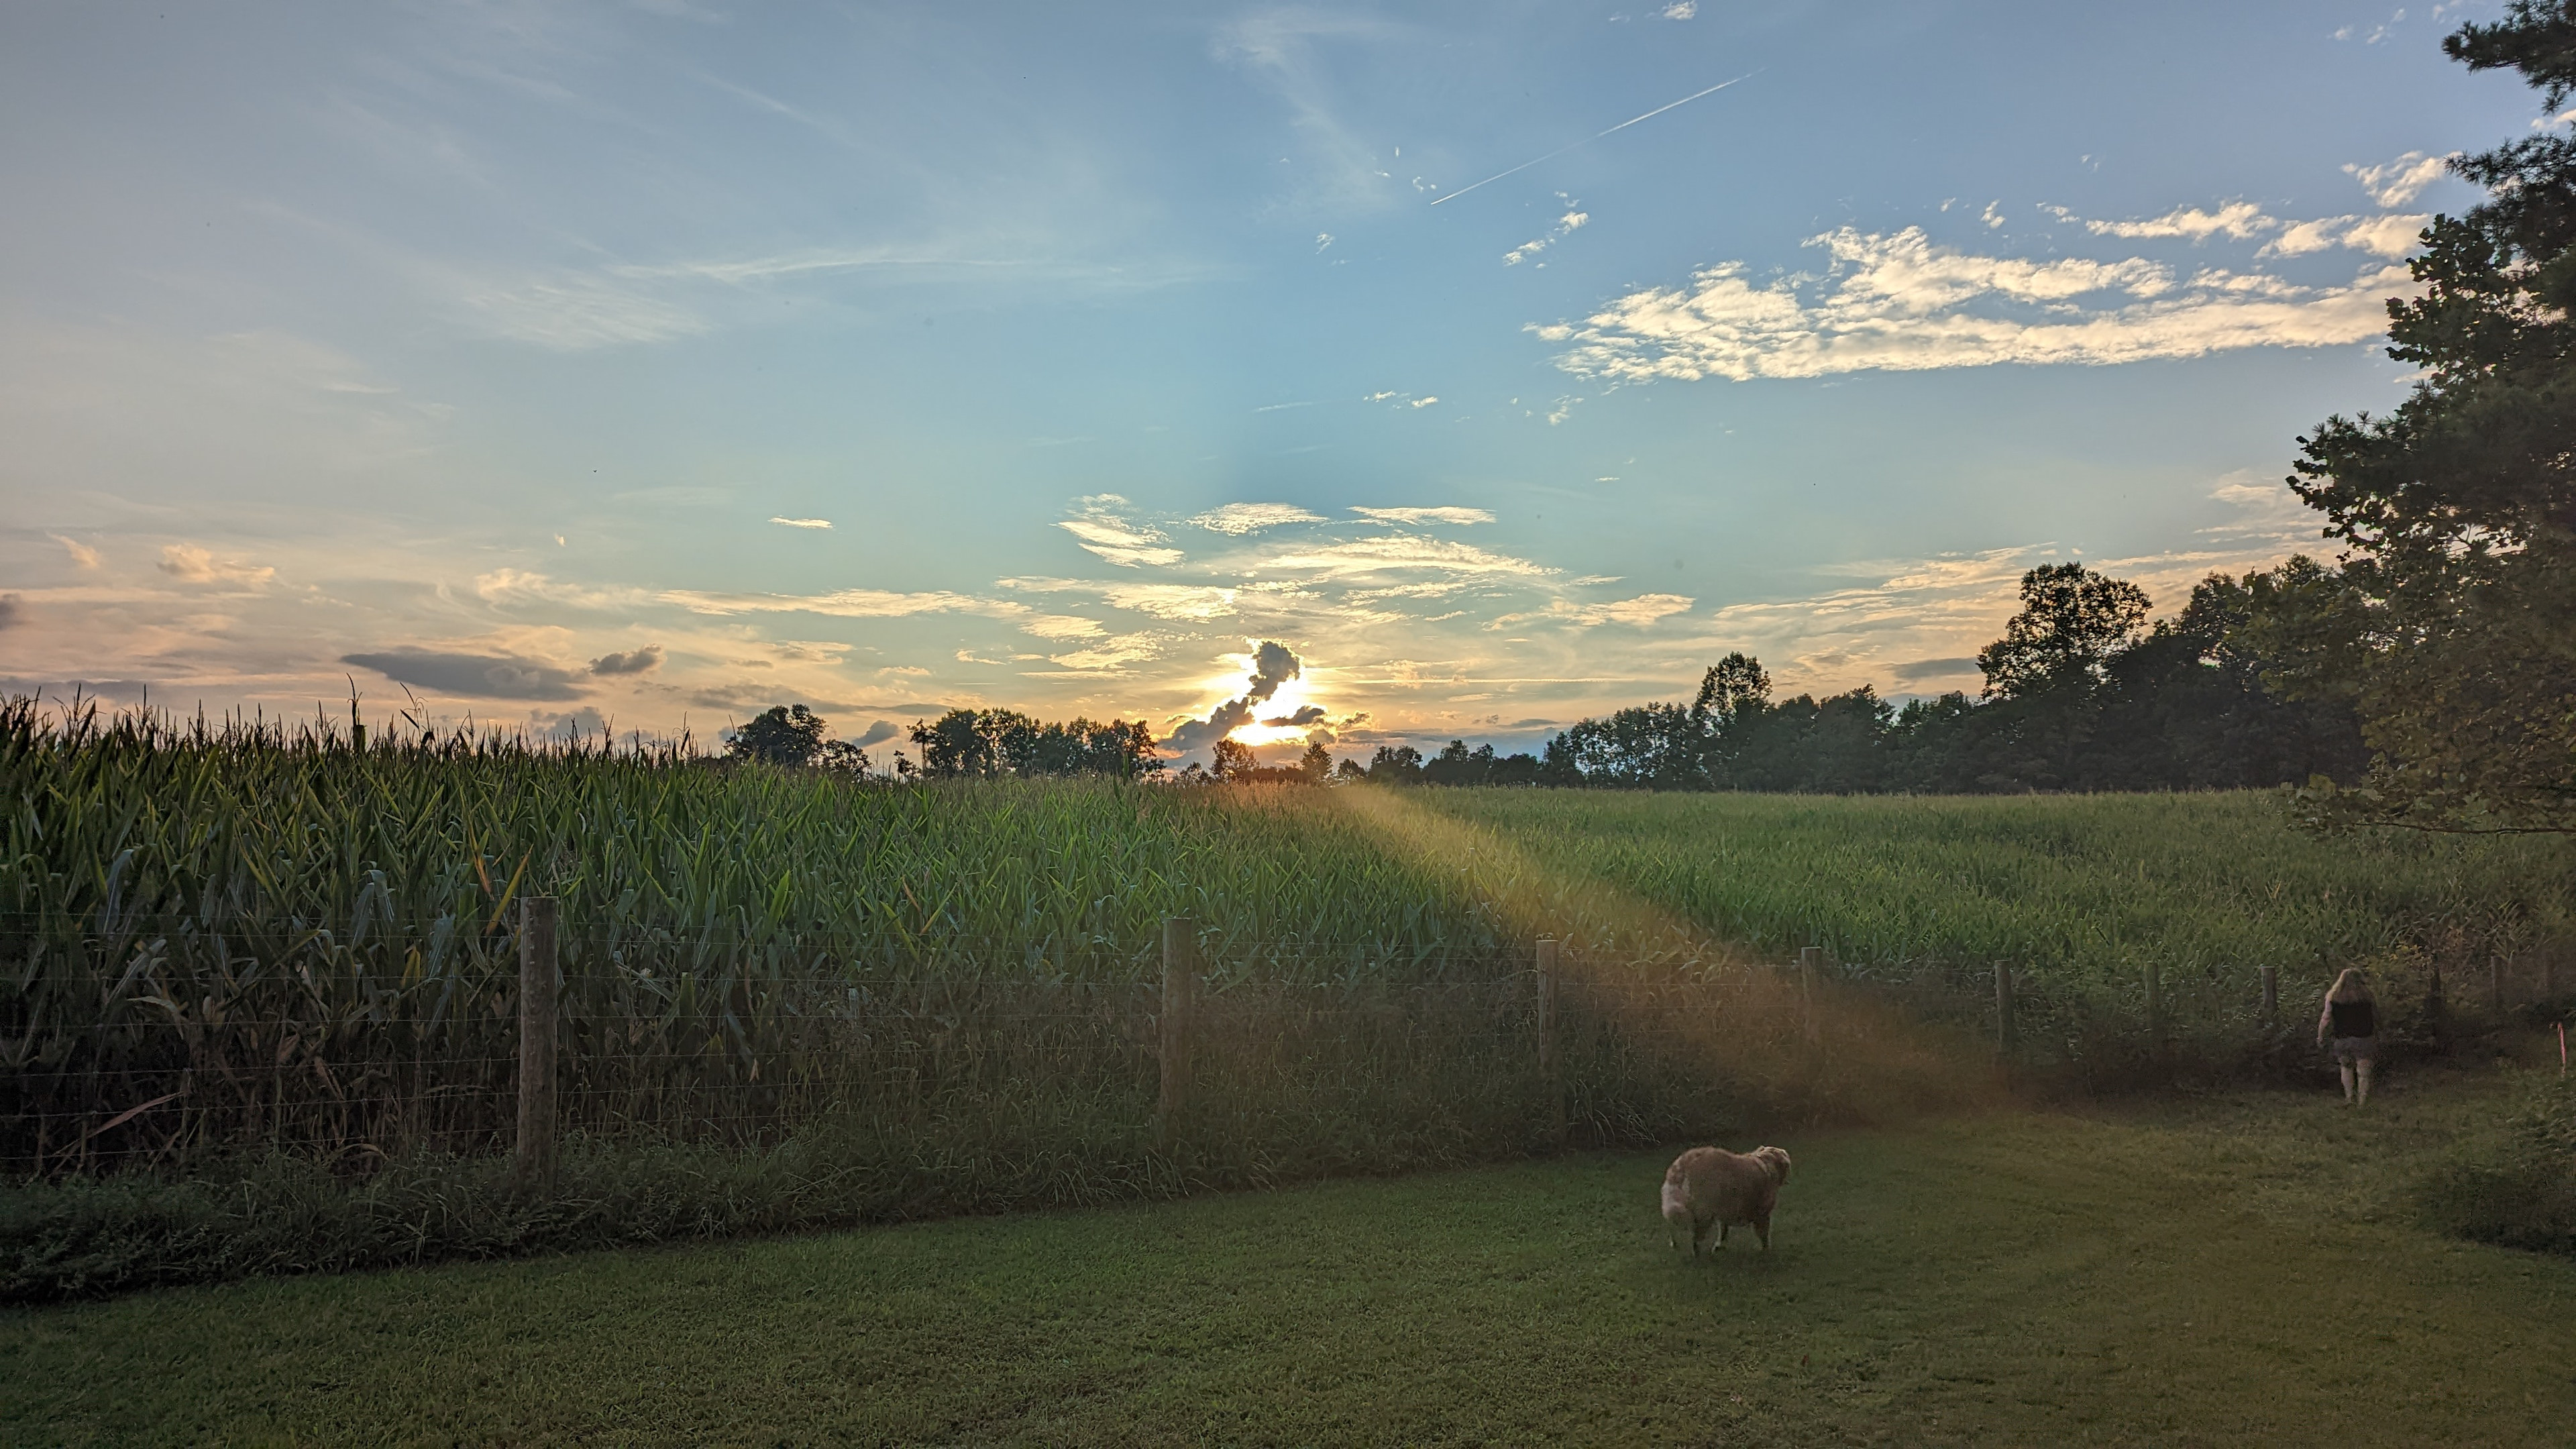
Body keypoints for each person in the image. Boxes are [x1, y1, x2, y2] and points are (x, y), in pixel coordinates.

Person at [2316, 968, 2377, 1106]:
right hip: (2364, 1037)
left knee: (2346, 1067)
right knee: (2363, 1071)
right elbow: (2376, 1016)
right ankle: (2362, 1101)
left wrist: (2320, 1035)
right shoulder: (2367, 996)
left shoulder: (2333, 997)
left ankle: (2349, 1097)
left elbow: (2326, 1018)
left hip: (2341, 1038)